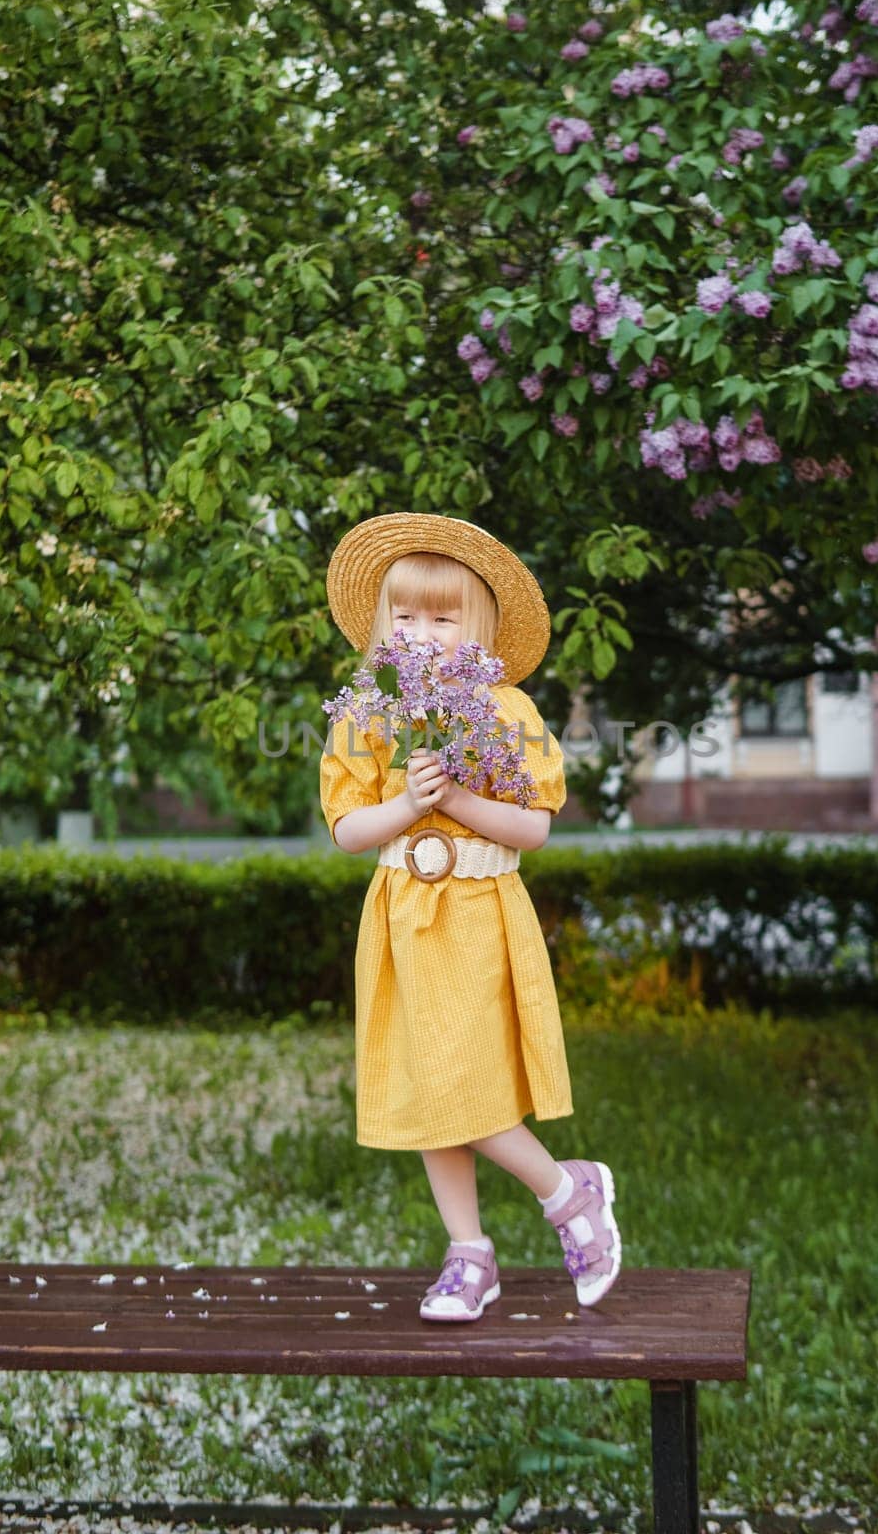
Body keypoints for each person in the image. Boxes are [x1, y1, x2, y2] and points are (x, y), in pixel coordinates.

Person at [319, 512, 622, 1323]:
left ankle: (567, 1195)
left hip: (481, 914)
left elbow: (533, 828)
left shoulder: (505, 709)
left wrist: (453, 796)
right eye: (404, 618)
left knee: (465, 1078)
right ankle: (469, 1252)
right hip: (401, 914)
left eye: (442, 618)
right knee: (428, 1084)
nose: (420, 635)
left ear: (480, 625)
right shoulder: (366, 711)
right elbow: (347, 830)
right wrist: (402, 803)